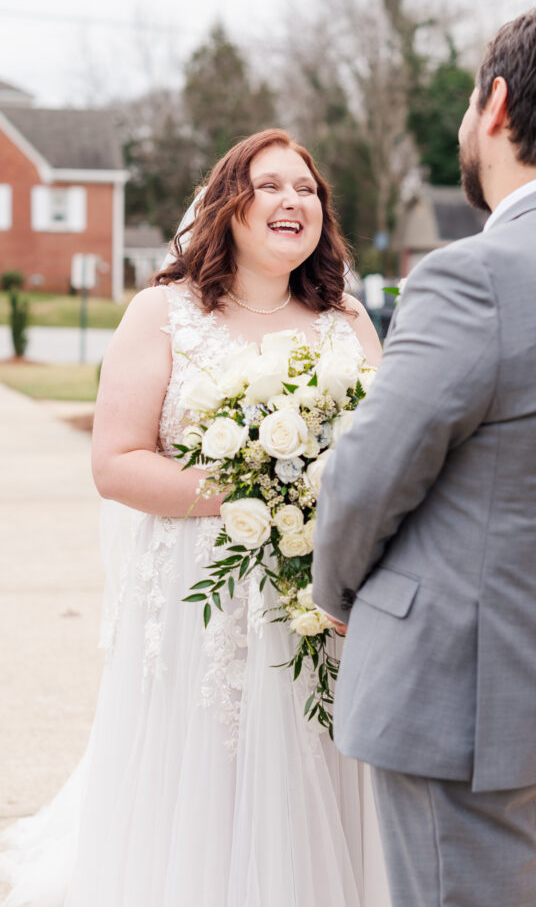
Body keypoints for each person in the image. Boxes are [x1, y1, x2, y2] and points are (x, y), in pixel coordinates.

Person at [312, 8, 536, 907]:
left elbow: (368, 475)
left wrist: (334, 595)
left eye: (468, 106)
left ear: (498, 105)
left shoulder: (473, 273)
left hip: (455, 696)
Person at [0, 129, 389, 907]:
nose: (293, 201)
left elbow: (382, 457)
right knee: (206, 772)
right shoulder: (164, 313)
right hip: (197, 599)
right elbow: (115, 462)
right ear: (228, 204)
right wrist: (255, 492)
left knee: (309, 766)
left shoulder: (346, 319)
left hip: (313, 596)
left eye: (307, 189)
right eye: (271, 184)